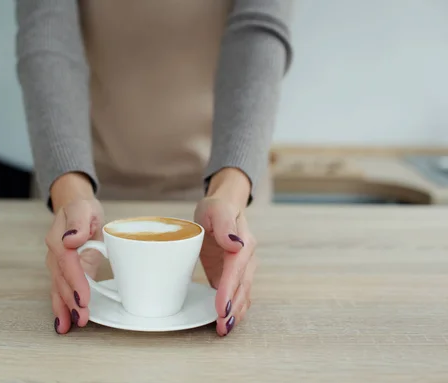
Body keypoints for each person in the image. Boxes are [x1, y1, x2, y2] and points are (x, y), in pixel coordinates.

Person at [15, 0, 293, 337]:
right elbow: (48, 37)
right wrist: (70, 194)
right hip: (83, 188)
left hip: (228, 192)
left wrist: (229, 193)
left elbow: (258, 30)